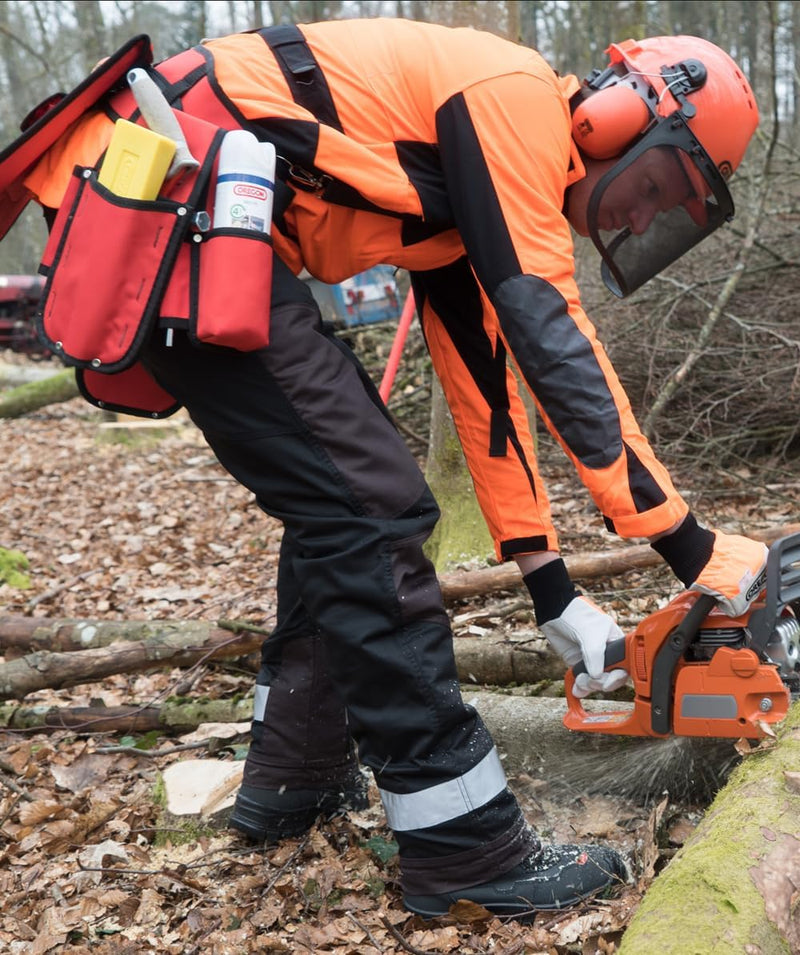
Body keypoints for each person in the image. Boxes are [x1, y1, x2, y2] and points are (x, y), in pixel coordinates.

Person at [0, 18, 768, 920]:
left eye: (671, 204)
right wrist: (689, 545)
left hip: (195, 212)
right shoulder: (512, 100)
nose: (641, 214)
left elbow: (486, 393)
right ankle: (464, 847)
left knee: (343, 495)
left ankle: (292, 779)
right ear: (614, 116)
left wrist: (552, 589)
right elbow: (552, 336)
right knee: (368, 504)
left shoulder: (467, 193)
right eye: (657, 183)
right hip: (168, 192)